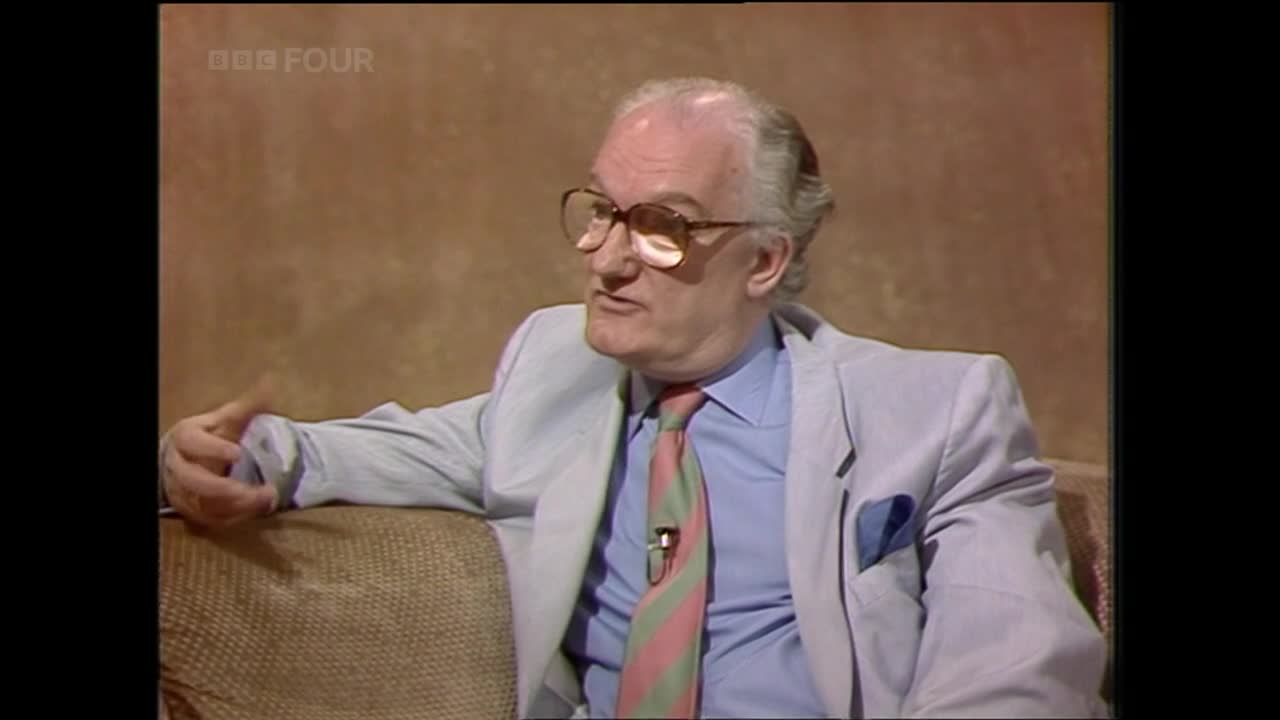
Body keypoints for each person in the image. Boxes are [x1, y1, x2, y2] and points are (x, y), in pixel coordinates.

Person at [158, 76, 1109, 718]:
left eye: (662, 229)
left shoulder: (937, 409)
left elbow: (1018, 671)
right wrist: (236, 459)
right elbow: (369, 450)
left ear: (766, 260)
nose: (608, 258)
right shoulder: (552, 371)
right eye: (604, 211)